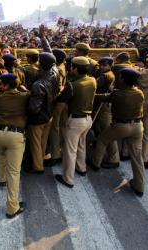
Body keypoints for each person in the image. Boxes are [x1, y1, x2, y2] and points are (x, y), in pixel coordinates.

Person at [90, 68, 145, 196]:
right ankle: (139, 186)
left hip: (121, 125)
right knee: (137, 157)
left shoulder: (117, 94)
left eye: (120, 77)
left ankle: (95, 163)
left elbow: (102, 98)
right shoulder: (140, 93)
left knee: (103, 139)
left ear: (123, 80)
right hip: (137, 126)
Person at [54, 57, 96, 188]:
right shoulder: (92, 80)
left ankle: (68, 179)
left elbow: (61, 99)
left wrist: (60, 90)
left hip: (76, 121)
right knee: (81, 145)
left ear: (76, 68)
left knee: (70, 150)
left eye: (71, 67)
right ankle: (81, 168)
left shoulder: (72, 85)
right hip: (88, 119)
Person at [0, 73, 29, 219]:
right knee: (14, 172)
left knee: (1, 156)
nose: (0, 85)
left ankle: (1, 179)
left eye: (2, 83)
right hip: (15, 135)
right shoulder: (24, 96)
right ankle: (12, 207)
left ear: (6, 86)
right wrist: (23, 88)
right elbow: (29, 93)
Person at [26, 52, 59, 174]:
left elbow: (34, 108)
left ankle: (38, 167)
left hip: (38, 118)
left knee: (35, 144)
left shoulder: (38, 84)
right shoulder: (55, 73)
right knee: (43, 141)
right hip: (49, 115)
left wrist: (27, 94)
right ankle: (41, 158)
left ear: (41, 64)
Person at [93, 57, 120, 168]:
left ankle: (114, 159)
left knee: (107, 133)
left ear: (110, 65)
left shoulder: (105, 76)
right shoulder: (110, 74)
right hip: (103, 105)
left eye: (105, 65)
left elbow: (93, 86)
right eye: (101, 65)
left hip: (103, 106)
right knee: (101, 130)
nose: (102, 67)